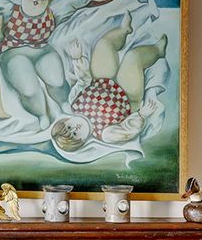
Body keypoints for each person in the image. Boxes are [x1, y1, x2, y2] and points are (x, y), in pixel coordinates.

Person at [0, 0, 111, 129]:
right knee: (29, 89)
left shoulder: (52, 14)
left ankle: (63, 102)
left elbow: (70, 3)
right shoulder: (10, 10)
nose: (37, 0)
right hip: (13, 52)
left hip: (42, 50)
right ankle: (41, 114)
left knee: (57, 81)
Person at [50, 15, 167, 151]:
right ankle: (158, 51)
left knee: (103, 45)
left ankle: (123, 31)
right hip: (127, 97)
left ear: (66, 120)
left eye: (69, 127)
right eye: (75, 134)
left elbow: (84, 81)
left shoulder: (74, 102)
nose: (76, 128)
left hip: (102, 81)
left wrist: (78, 59)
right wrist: (141, 115)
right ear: (83, 141)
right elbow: (127, 130)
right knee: (133, 58)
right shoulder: (105, 134)